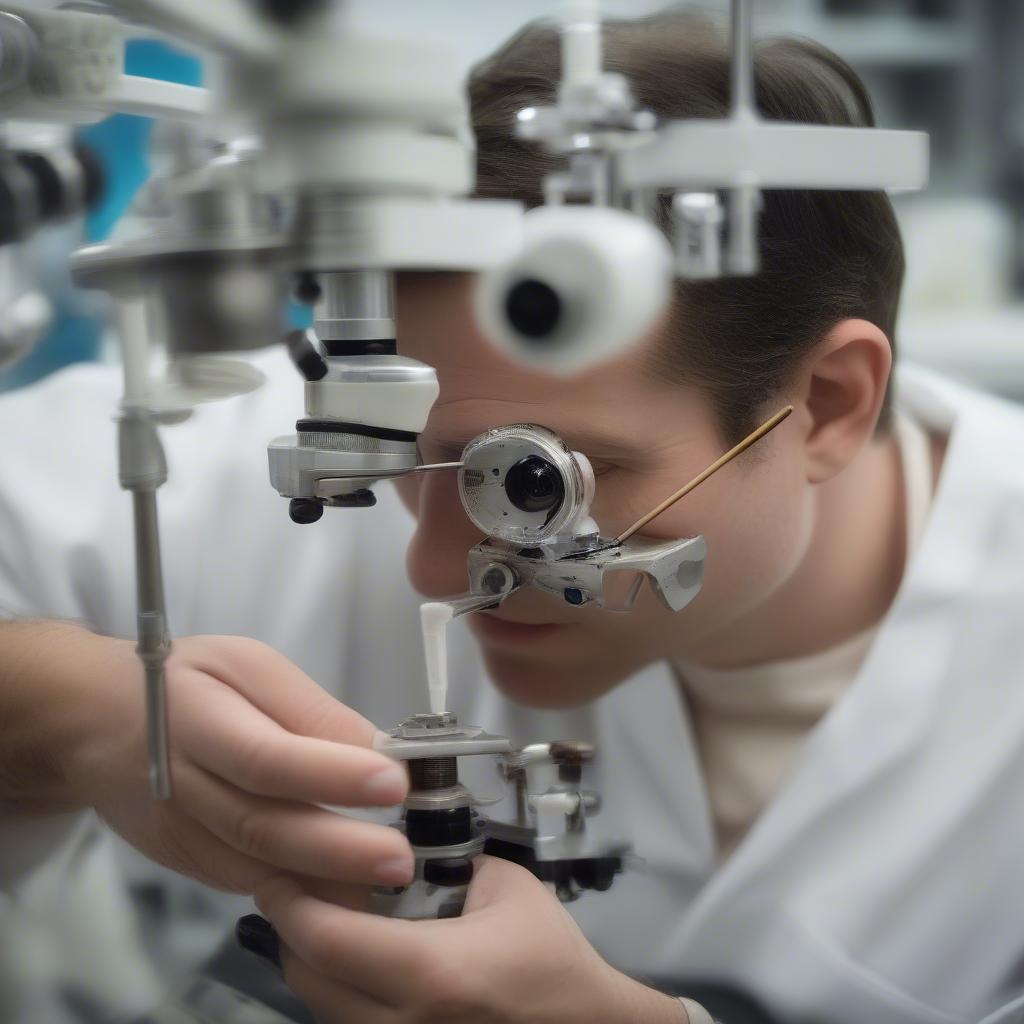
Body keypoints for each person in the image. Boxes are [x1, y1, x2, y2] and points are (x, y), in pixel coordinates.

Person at [3, 11, 1024, 1024]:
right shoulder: (306, 427)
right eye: (408, 454)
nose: (432, 565)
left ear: (830, 403)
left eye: (530, 480)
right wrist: (66, 709)